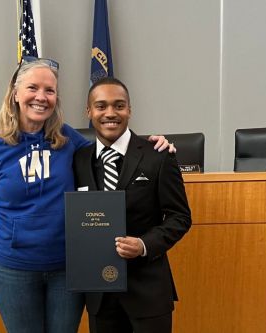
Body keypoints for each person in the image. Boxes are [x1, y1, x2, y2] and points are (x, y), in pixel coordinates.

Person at [0, 57, 174, 333]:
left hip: (67, 269)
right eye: (33, 88)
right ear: (15, 93)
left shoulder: (68, 141)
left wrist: (151, 144)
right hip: (15, 270)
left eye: (49, 90)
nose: (41, 97)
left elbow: (109, 150)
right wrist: (3, 236)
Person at [72, 77, 192, 333]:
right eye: (101, 106)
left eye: (119, 105)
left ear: (129, 109)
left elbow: (180, 217)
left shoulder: (158, 156)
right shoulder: (79, 160)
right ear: (89, 111)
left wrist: (144, 245)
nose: (110, 113)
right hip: (100, 295)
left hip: (148, 291)